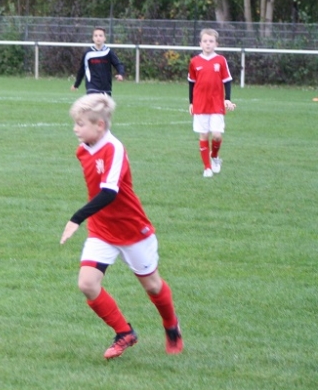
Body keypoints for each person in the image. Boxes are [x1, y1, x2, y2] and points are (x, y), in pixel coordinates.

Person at [59, 94, 182, 360]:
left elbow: (109, 193)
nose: (75, 129)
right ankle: (124, 333)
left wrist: (76, 218)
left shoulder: (114, 148)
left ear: (100, 125)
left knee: (153, 286)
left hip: (131, 229)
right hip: (102, 230)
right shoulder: (83, 150)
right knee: (87, 284)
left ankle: (171, 325)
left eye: (80, 124)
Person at [188, 28, 236, 178]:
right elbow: (191, 83)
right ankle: (207, 168)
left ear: (216, 44)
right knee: (203, 135)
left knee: (216, 135)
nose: (208, 44)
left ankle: (214, 156)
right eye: (205, 41)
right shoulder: (194, 61)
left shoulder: (220, 60)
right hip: (200, 104)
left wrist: (227, 99)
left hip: (216, 103)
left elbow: (227, 80)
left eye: (211, 41)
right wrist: (191, 103)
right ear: (200, 43)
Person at [72, 27, 125, 95]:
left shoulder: (108, 52)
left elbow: (118, 64)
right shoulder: (88, 53)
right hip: (92, 86)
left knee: (104, 102)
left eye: (100, 35)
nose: (98, 38)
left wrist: (121, 74)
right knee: (94, 101)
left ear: (104, 38)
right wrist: (76, 84)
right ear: (93, 38)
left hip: (106, 87)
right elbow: (82, 70)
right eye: (96, 35)